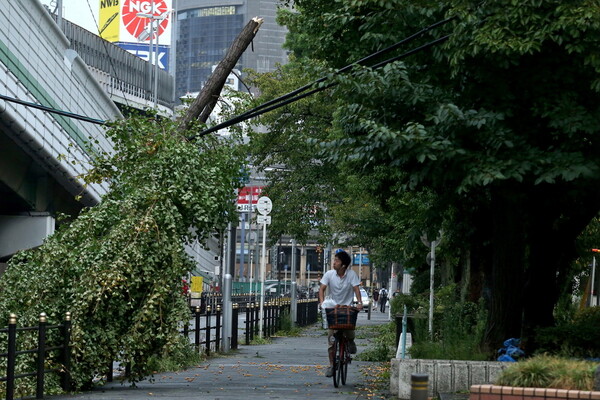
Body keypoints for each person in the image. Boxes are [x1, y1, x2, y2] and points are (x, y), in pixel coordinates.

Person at [319, 250, 363, 378]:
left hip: (347, 307)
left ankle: (351, 341)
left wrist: (359, 302)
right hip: (333, 308)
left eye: (337, 261)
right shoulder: (329, 274)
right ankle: (332, 365)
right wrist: (322, 303)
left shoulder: (351, 275)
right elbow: (322, 289)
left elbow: (356, 289)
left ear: (343, 265)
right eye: (334, 260)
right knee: (331, 339)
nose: (334, 263)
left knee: (349, 329)